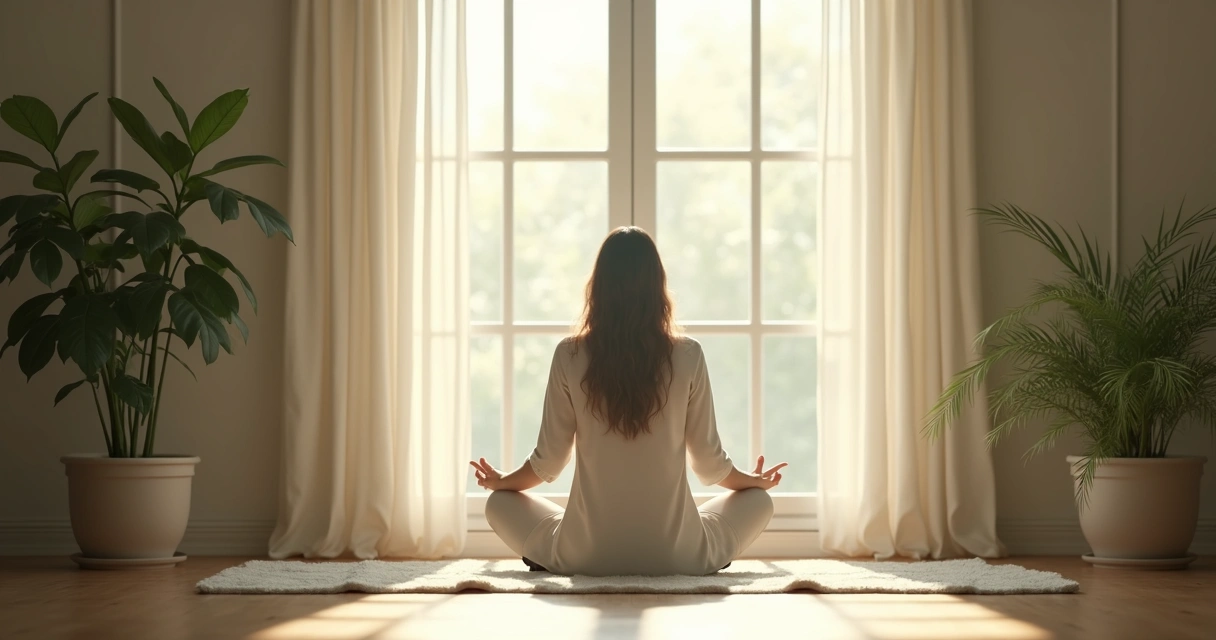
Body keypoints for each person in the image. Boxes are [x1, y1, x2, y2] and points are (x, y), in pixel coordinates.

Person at [469, 226, 788, 576]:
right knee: (759, 501)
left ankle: (556, 554)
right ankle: (704, 556)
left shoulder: (569, 354)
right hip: (680, 556)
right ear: (658, 287)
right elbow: (710, 466)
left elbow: (549, 462)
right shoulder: (689, 355)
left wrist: (502, 482)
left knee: (500, 504)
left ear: (598, 287)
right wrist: (752, 482)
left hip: (584, 556)